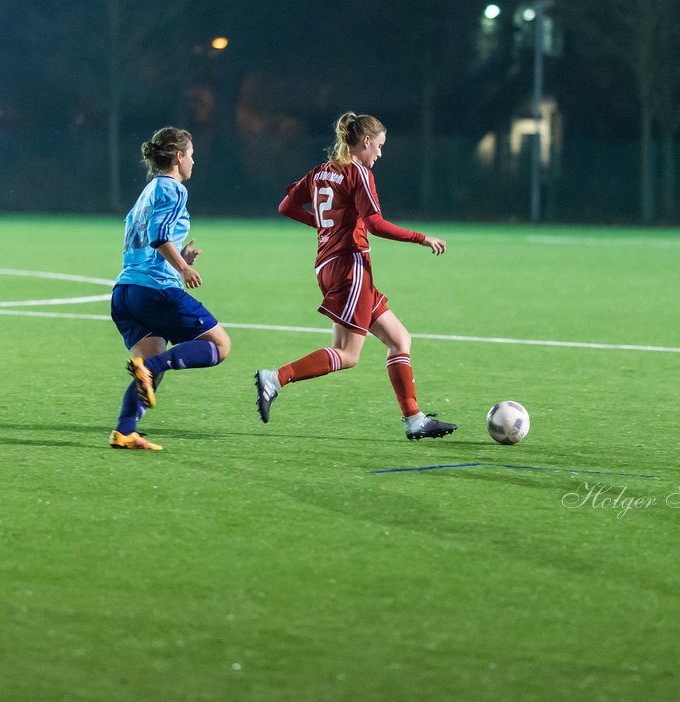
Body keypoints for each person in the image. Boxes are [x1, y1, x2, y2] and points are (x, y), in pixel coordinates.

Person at [254, 112, 456, 440]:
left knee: (399, 339)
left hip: (331, 265)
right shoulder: (357, 172)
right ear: (365, 142)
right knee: (347, 354)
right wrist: (422, 238)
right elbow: (375, 224)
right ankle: (275, 378)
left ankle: (413, 418)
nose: (380, 153)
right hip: (350, 267)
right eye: (378, 146)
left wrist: (323, 225)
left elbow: (285, 207)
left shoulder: (321, 172)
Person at [109, 127, 231, 450]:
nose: (193, 160)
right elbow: (158, 235)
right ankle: (147, 368)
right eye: (191, 154)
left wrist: (177, 255)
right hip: (154, 290)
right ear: (178, 157)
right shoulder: (174, 190)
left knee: (152, 362)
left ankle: (125, 431)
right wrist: (183, 267)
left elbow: (145, 237)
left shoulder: (148, 191)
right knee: (220, 346)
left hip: (126, 291)